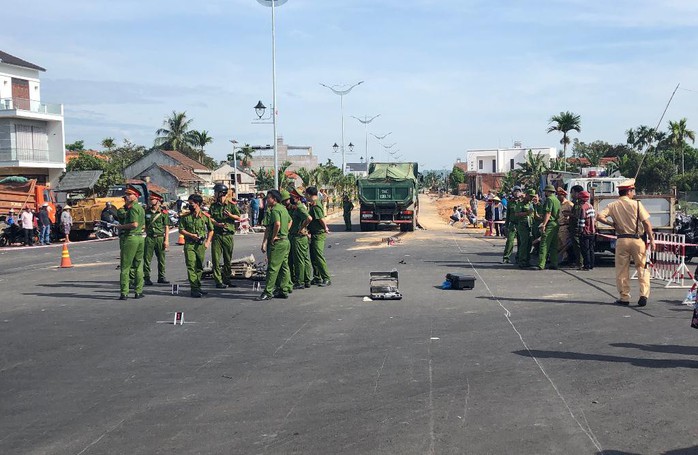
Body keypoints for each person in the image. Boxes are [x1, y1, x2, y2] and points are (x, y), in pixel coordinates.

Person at [597, 179, 655, 306]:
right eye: (632, 191)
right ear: (629, 191)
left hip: (622, 240)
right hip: (637, 239)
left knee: (622, 269)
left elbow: (599, 217)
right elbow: (646, 222)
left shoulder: (612, 205)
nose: (633, 193)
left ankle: (624, 297)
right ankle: (644, 294)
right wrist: (651, 238)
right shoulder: (637, 205)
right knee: (642, 267)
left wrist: (612, 224)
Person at [258, 189, 293, 300]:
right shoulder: (283, 209)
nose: (267, 200)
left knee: (272, 268)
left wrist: (273, 237)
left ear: (274, 199)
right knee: (284, 267)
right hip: (285, 241)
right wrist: (285, 232)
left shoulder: (274, 210)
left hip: (278, 243)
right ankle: (284, 289)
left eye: (268, 198)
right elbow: (290, 221)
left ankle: (268, 292)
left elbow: (276, 224)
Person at [179, 194, 214, 298]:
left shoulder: (205, 217)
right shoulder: (185, 217)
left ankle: (198, 287)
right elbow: (181, 229)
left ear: (197, 203)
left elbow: (211, 230)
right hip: (189, 244)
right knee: (191, 266)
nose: (190, 205)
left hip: (200, 245)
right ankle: (194, 289)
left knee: (199, 267)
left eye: (191, 203)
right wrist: (191, 235)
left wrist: (207, 242)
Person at [115, 185, 146, 300]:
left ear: (135, 196)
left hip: (130, 237)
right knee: (138, 266)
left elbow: (134, 224)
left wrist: (121, 227)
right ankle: (138, 291)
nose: (127, 197)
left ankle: (124, 292)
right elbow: (142, 225)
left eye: (129, 195)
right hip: (139, 237)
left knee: (125, 267)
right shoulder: (141, 208)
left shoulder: (133, 208)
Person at [209, 183, 241, 289]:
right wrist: (217, 224)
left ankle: (227, 279)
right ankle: (218, 281)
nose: (214, 194)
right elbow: (210, 218)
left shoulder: (231, 205)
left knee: (228, 259)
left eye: (216, 192)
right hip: (217, 235)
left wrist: (230, 215)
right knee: (216, 259)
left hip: (228, 235)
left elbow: (238, 217)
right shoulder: (213, 206)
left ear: (221, 193)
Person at [143, 190, 170, 286]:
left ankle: (161, 277)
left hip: (159, 237)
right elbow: (145, 225)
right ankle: (146, 277)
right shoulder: (146, 212)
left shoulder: (163, 212)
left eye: (152, 199)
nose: (150, 201)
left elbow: (166, 226)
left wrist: (166, 240)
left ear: (157, 200)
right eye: (150, 199)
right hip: (150, 238)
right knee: (147, 258)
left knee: (161, 258)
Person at [306, 186, 331, 286]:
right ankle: (317, 277)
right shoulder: (314, 204)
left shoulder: (316, 206)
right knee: (313, 256)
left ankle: (326, 278)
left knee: (318, 256)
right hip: (314, 233)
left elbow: (321, 218)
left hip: (318, 234)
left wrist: (325, 228)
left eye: (305, 194)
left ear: (309, 194)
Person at [287, 190, 313, 289]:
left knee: (299, 260)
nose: (290, 199)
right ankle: (306, 280)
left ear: (297, 198)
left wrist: (302, 227)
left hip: (298, 237)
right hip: (301, 237)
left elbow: (309, 218)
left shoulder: (299, 208)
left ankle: (300, 281)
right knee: (305, 259)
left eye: (292, 197)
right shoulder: (297, 207)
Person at [537, 185, 561, 270]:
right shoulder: (557, 200)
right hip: (556, 223)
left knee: (544, 244)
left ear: (548, 192)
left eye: (545, 191)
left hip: (550, 223)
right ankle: (554, 263)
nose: (545, 193)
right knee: (554, 245)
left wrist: (544, 224)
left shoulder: (549, 199)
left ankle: (541, 264)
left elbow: (548, 213)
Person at [576, 190, 596, 270]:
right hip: (592, 231)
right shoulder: (590, 206)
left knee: (585, 250)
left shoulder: (583, 208)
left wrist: (579, 231)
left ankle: (586, 265)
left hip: (585, 232)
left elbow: (582, 220)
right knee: (591, 249)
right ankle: (591, 265)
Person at [503, 187, 522, 263]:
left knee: (520, 242)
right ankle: (506, 257)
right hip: (513, 224)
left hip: (521, 225)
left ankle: (519, 257)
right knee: (510, 241)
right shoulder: (510, 202)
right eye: (515, 191)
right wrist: (506, 226)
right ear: (513, 193)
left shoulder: (523, 202)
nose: (517, 193)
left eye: (518, 191)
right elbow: (508, 215)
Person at [556, 188, 575, 265]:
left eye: (559, 195)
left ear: (563, 195)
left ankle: (566, 259)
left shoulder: (569, 204)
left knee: (565, 244)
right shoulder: (558, 204)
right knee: (559, 244)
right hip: (558, 226)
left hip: (565, 226)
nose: (557, 196)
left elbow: (574, 214)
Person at [568, 185, 585, 269]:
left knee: (577, 246)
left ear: (576, 192)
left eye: (572, 192)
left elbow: (577, 215)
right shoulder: (576, 202)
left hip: (576, 227)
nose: (571, 194)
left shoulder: (578, 203)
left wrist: (568, 214)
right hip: (574, 227)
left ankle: (580, 263)